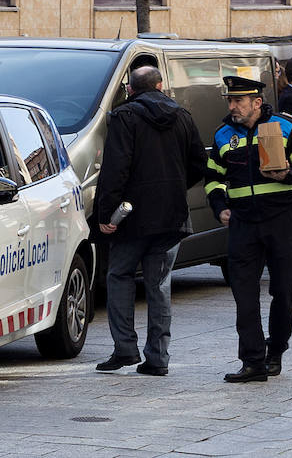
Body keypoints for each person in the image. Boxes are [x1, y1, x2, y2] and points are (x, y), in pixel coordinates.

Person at [94, 66, 208, 377]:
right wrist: (175, 186)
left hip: (132, 216)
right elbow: (199, 162)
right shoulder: (182, 116)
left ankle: (125, 349)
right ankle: (158, 358)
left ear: (130, 90)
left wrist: (107, 215)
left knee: (119, 276)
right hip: (172, 215)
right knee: (159, 285)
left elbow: (115, 169)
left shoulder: (124, 117)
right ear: (159, 85)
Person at [205, 75, 292, 383]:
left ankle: (275, 351)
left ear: (256, 102)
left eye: (238, 100)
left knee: (282, 291)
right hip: (242, 225)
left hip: (281, 221)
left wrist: (288, 176)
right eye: (230, 100)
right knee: (244, 295)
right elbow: (213, 178)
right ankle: (252, 360)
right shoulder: (224, 134)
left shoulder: (284, 127)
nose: (233, 106)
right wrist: (220, 207)